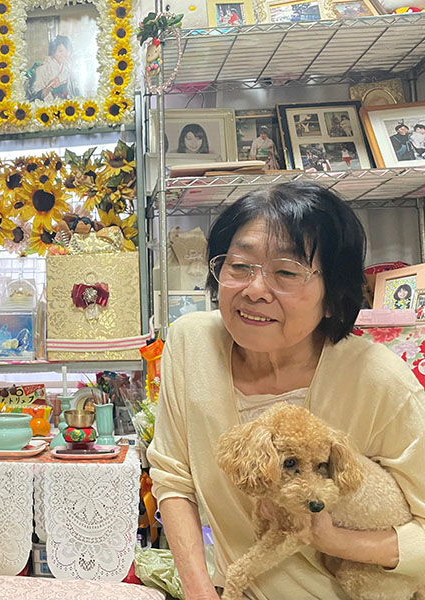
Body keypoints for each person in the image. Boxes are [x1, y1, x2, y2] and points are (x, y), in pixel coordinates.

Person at [148, 181, 425, 600]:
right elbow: (174, 478)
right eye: (239, 266)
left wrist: (333, 540)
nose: (255, 290)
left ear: (333, 295)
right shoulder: (191, 344)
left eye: (286, 272)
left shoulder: (379, 380)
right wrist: (200, 591)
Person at [28, 35, 76, 102]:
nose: (64, 54)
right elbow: (35, 98)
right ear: (53, 51)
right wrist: (50, 86)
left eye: (67, 51)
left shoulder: (68, 68)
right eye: (60, 51)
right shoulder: (42, 69)